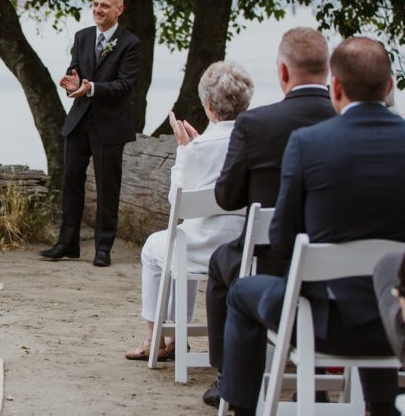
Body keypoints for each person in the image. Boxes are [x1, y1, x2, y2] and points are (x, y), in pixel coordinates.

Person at [218, 37, 405, 416]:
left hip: (325, 324)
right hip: (397, 323)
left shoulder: (309, 144)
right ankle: (382, 405)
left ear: (335, 86)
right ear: (388, 87)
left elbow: (282, 241)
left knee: (240, 291)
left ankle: (241, 409)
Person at [200, 27, 335, 407]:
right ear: (327, 73)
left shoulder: (256, 124)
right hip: (338, 273)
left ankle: (229, 376)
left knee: (220, 265)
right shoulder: (343, 124)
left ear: (282, 72)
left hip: (269, 263)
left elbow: (227, 197)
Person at [125, 61, 253, 360]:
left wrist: (185, 151)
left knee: (156, 248)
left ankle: (158, 338)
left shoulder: (197, 148)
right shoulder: (255, 143)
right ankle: (172, 337)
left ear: (208, 106)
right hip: (242, 247)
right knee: (181, 239)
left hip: (198, 247)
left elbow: (175, 201)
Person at [41, 0, 142, 267]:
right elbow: (75, 71)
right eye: (96, 4)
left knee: (107, 186)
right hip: (80, 120)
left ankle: (103, 247)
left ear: (119, 10)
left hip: (110, 125)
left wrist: (91, 88)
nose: (98, 10)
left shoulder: (130, 43)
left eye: (105, 6)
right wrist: (73, 84)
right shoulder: (83, 37)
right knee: (71, 180)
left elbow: (125, 85)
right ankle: (67, 242)